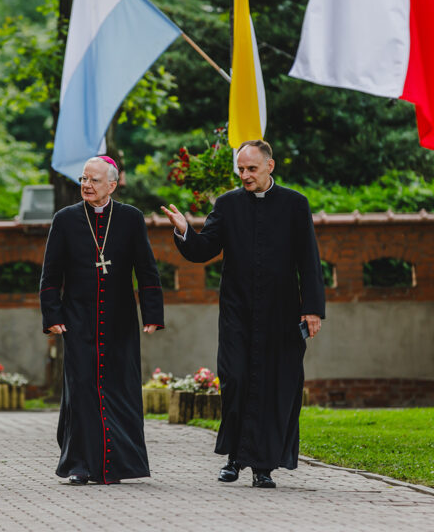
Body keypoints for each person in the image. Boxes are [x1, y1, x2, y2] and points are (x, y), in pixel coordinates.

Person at [161, 140, 325, 489]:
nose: (245, 175)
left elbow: (309, 260)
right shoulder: (228, 204)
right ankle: (235, 457)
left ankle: (263, 466)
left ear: (270, 166)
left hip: (281, 313)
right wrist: (184, 230)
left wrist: (312, 309)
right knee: (235, 379)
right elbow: (204, 249)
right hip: (237, 311)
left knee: (273, 386)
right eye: (241, 169)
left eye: (252, 168)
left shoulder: (295, 204)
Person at [40, 156, 164, 485]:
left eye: (94, 180)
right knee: (82, 390)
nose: (86, 185)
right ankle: (80, 464)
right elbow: (50, 274)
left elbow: (146, 268)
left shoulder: (130, 218)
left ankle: (119, 465)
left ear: (112, 184)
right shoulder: (65, 219)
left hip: (120, 321)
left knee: (120, 390)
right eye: (83, 179)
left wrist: (152, 313)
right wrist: (52, 314)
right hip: (78, 320)